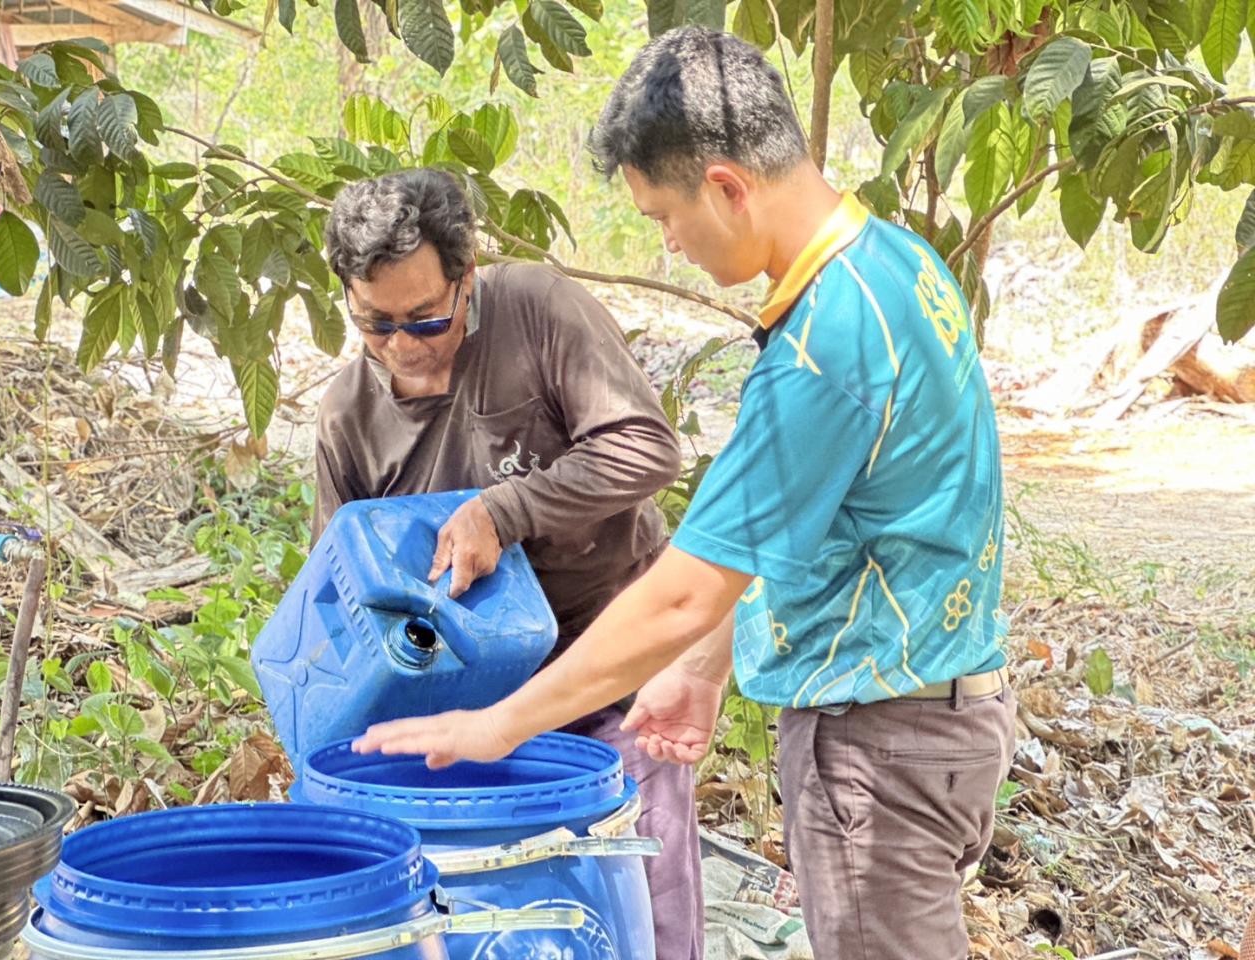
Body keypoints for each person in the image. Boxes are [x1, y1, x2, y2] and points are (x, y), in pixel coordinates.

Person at [353, 28, 1016, 960]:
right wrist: (702, 667)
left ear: (728, 188)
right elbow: (803, 527)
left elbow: (681, 592)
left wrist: (498, 725)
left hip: (878, 744)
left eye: (664, 215)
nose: (668, 243)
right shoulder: (896, 265)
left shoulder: (822, 350)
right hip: (940, 715)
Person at [314, 167, 710, 960]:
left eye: (425, 320)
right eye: (375, 325)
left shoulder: (537, 309)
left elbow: (646, 448)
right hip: (465, 710)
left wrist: (507, 511)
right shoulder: (348, 416)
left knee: (641, 902)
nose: (402, 347)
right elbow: (338, 598)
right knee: (487, 920)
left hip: (608, 670)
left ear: (466, 278)